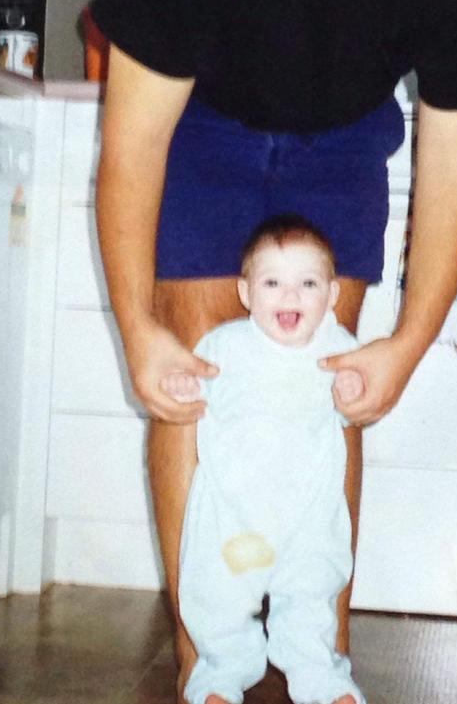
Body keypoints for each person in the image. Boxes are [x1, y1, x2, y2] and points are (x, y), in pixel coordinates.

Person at [91, 0, 457, 700]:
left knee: (328, 391)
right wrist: (138, 327)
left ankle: (316, 663)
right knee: (196, 387)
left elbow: (455, 168)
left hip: (339, 146)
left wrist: (406, 345)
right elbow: (132, 145)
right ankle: (209, 664)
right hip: (208, 133)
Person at [165, 215, 365, 704]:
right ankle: (217, 677)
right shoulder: (225, 346)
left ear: (333, 296)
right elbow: (193, 386)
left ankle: (323, 680)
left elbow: (355, 405)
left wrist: (353, 389)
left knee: (313, 602)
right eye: (272, 282)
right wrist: (182, 382)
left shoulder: (338, 349)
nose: (289, 296)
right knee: (219, 601)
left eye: (308, 283)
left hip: (308, 518)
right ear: (246, 291)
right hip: (236, 517)